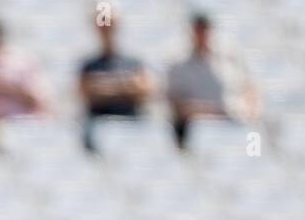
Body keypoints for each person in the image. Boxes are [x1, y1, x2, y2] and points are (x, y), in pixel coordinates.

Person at [166, 13, 260, 148]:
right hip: (198, 127)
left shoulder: (229, 59)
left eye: (205, 30)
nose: (202, 35)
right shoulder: (179, 65)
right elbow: (176, 104)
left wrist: (251, 108)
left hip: (234, 121)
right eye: (198, 31)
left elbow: (248, 86)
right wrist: (210, 112)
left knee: (254, 142)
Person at [78, 8, 154, 151]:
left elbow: (144, 89)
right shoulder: (89, 65)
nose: (107, 31)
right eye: (103, 26)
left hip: (131, 119)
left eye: (109, 25)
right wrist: (125, 86)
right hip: (98, 121)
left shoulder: (133, 62)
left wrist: (104, 87)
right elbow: (86, 92)